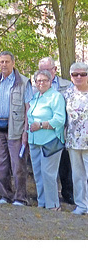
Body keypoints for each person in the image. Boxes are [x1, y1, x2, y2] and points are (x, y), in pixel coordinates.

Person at [0, 51, 32, 206]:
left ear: (13, 63)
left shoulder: (23, 82)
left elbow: (28, 108)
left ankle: (20, 197)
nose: (4, 65)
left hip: (16, 129)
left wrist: (25, 132)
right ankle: (5, 195)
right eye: (1, 62)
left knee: (18, 166)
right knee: (1, 165)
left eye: (7, 62)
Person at [35, 57, 74, 204]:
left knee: (65, 165)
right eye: (41, 70)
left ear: (55, 69)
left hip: (61, 132)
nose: (45, 73)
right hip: (43, 134)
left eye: (48, 69)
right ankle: (48, 198)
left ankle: (68, 193)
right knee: (45, 168)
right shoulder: (36, 86)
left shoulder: (67, 85)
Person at [27, 70, 65, 211]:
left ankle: (53, 205)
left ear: (50, 81)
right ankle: (42, 202)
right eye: (38, 81)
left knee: (48, 175)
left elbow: (60, 119)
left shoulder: (56, 97)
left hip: (50, 142)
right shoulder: (35, 97)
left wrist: (41, 124)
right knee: (38, 174)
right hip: (34, 141)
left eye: (44, 80)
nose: (41, 83)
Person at [64, 62, 88, 215]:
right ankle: (81, 205)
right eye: (75, 74)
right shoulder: (67, 94)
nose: (79, 77)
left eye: (83, 74)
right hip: (73, 141)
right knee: (78, 176)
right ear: (71, 77)